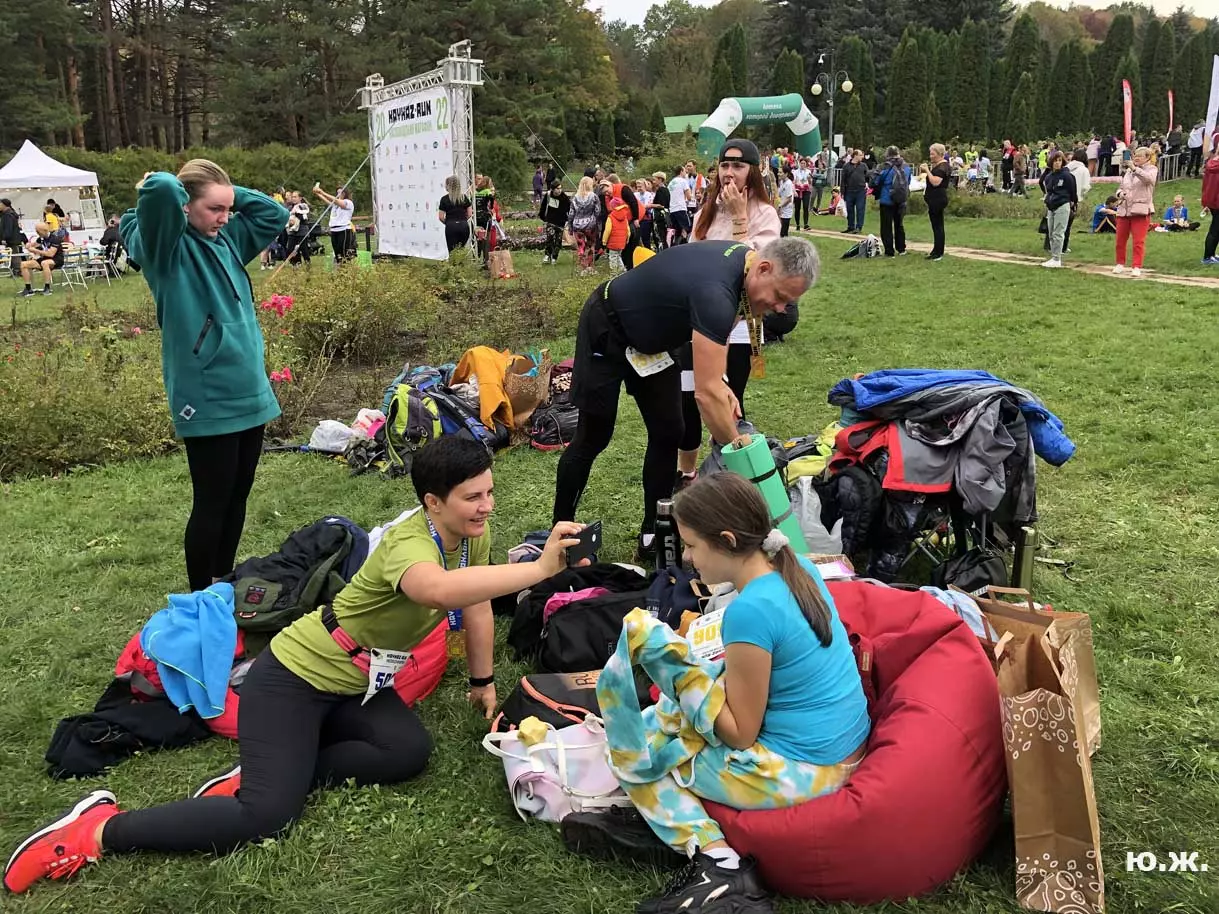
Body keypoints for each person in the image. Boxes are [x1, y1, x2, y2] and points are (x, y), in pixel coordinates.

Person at [2, 438, 592, 896]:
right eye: (473, 497)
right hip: (293, 677)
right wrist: (541, 570)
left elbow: (477, 603)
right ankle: (98, 829)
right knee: (265, 816)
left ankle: (270, 768)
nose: (487, 506)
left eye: (489, 492)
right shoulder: (407, 546)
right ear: (432, 501)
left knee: (406, 752)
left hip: (358, 682)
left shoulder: (468, 536)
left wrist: (482, 682)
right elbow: (436, 591)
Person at [566, 472, 869, 914]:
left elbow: (740, 735)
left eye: (691, 545)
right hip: (843, 745)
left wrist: (676, 671)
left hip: (808, 770)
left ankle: (718, 864)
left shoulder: (749, 611)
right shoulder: (796, 567)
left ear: (726, 540)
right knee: (661, 720)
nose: (687, 558)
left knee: (635, 751)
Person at [551, 237, 819, 558]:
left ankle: (653, 532)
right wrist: (739, 453)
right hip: (607, 327)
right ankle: (560, 533)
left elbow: (718, 347)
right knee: (593, 436)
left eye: (788, 302)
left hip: (653, 346)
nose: (780, 308)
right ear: (763, 268)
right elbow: (705, 395)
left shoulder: (744, 271)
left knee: (669, 432)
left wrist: (722, 384)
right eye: (780, 296)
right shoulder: (716, 291)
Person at [119, 160, 287, 592]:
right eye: (215, 209)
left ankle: (220, 583)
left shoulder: (227, 238)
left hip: (249, 388)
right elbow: (159, 190)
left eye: (228, 209)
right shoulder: (165, 249)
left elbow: (274, 213)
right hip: (207, 393)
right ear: (185, 205)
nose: (225, 218)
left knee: (238, 495)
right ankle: (199, 599)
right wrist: (175, 185)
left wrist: (224, 193)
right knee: (212, 501)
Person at [678, 139, 781, 486]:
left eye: (738, 166)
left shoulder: (765, 214)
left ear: (752, 172)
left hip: (739, 322)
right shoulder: (705, 213)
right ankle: (687, 473)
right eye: (724, 165)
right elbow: (691, 262)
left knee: (729, 399)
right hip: (698, 321)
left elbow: (754, 270)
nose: (729, 172)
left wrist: (740, 217)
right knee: (689, 398)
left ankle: (732, 473)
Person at [1113, 146, 1157, 277]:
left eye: (1140, 156)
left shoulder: (1152, 169)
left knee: (1138, 241)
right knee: (1120, 240)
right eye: (1135, 155)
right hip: (1124, 208)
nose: (1136, 158)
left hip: (1140, 210)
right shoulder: (1128, 171)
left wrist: (1134, 169)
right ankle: (1119, 263)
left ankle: (1136, 266)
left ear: (1147, 158)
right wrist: (1120, 194)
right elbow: (1121, 187)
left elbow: (1148, 180)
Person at [1039, 151, 1077, 269]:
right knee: (1051, 232)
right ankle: (1053, 256)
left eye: (1060, 160)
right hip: (1051, 206)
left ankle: (1057, 258)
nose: (1057, 163)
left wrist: (1073, 203)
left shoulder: (1067, 176)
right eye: (1055, 161)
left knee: (1058, 232)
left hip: (1062, 204)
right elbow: (1048, 190)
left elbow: (1073, 190)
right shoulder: (1049, 177)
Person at [871, 145, 910, 256]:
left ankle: (889, 251)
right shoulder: (906, 166)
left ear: (887, 154)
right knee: (899, 225)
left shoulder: (884, 166)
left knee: (886, 226)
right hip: (901, 200)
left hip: (887, 199)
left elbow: (876, 181)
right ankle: (901, 249)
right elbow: (908, 181)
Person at [921, 143, 951, 261]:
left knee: (938, 226)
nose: (930, 156)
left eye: (932, 154)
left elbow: (935, 182)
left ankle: (939, 252)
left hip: (937, 199)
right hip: (934, 198)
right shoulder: (939, 166)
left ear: (939, 154)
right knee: (936, 226)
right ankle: (936, 250)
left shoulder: (942, 167)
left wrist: (927, 170)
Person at [17, 223, 64, 296]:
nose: (37, 233)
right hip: (44, 259)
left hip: (56, 259)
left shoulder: (55, 239)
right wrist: (28, 245)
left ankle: (47, 287)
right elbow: (33, 244)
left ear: (45, 230)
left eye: (38, 231)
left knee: (45, 263)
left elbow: (50, 254)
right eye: (36, 231)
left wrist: (35, 250)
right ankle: (28, 289)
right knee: (23, 264)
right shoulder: (41, 238)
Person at [313, 184, 355, 264]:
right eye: (337, 193)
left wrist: (322, 192)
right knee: (337, 253)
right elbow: (327, 200)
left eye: (341, 192)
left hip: (343, 230)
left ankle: (346, 268)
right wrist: (318, 193)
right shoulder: (335, 205)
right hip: (334, 230)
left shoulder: (348, 202)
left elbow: (336, 201)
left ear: (345, 193)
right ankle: (339, 267)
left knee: (343, 253)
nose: (339, 194)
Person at [567, 176, 601, 275]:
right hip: (590, 225)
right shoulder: (594, 196)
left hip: (577, 225)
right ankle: (590, 267)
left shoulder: (575, 197)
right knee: (590, 245)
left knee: (581, 246)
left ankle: (583, 268)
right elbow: (598, 211)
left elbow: (571, 214)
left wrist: (570, 227)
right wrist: (597, 223)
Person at [436, 175, 473, 255]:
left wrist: (448, 222)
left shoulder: (444, 199)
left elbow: (441, 217)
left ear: (448, 186)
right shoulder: (464, 197)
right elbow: (470, 214)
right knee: (461, 250)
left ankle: (454, 263)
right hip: (463, 226)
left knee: (452, 252)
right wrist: (463, 220)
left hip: (451, 226)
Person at [539, 179, 571, 264]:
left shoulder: (564, 197)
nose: (559, 190)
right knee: (549, 238)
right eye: (557, 188)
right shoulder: (548, 195)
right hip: (550, 221)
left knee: (558, 241)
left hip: (561, 222)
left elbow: (569, 210)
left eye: (560, 188)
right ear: (552, 189)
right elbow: (543, 207)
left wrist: (568, 221)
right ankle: (547, 255)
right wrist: (543, 218)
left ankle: (554, 257)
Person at [840, 149, 869, 234]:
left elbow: (868, 176)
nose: (862, 157)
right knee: (850, 209)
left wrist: (867, 184)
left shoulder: (863, 165)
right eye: (860, 155)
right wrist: (842, 192)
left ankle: (859, 227)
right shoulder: (846, 166)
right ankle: (850, 226)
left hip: (860, 191)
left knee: (860, 209)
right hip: (849, 190)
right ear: (855, 155)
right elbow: (843, 180)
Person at [473, 175, 498, 268]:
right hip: (485, 217)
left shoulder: (475, 192)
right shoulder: (487, 191)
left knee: (477, 238)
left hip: (476, 217)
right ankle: (486, 261)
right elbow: (492, 201)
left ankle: (476, 257)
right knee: (486, 239)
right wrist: (490, 208)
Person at [1201, 144, 1219, 264]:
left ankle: (1211, 255)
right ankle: (1207, 257)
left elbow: (1205, 183)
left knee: (1216, 228)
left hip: (1211, 200)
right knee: (1215, 229)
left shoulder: (1211, 162)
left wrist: (1205, 201)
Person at [667, 165, 692, 245]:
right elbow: (689, 197)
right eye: (684, 171)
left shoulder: (670, 183)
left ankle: (676, 246)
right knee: (687, 228)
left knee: (677, 231)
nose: (686, 173)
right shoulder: (683, 181)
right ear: (681, 171)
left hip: (672, 210)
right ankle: (685, 245)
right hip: (680, 208)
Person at [1, 198, 25, 275]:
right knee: (12, 254)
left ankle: (18, 270)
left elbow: (8, 228)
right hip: (13, 238)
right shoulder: (9, 213)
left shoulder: (8, 215)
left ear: (4, 205)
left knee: (14, 255)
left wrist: (5, 238)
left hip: (11, 239)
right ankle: (15, 270)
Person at [776, 166, 795, 236]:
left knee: (783, 232)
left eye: (780, 172)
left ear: (786, 174)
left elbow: (789, 199)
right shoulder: (781, 182)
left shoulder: (788, 183)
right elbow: (779, 194)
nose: (778, 174)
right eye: (778, 172)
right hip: (782, 209)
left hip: (786, 211)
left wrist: (780, 206)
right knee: (780, 232)